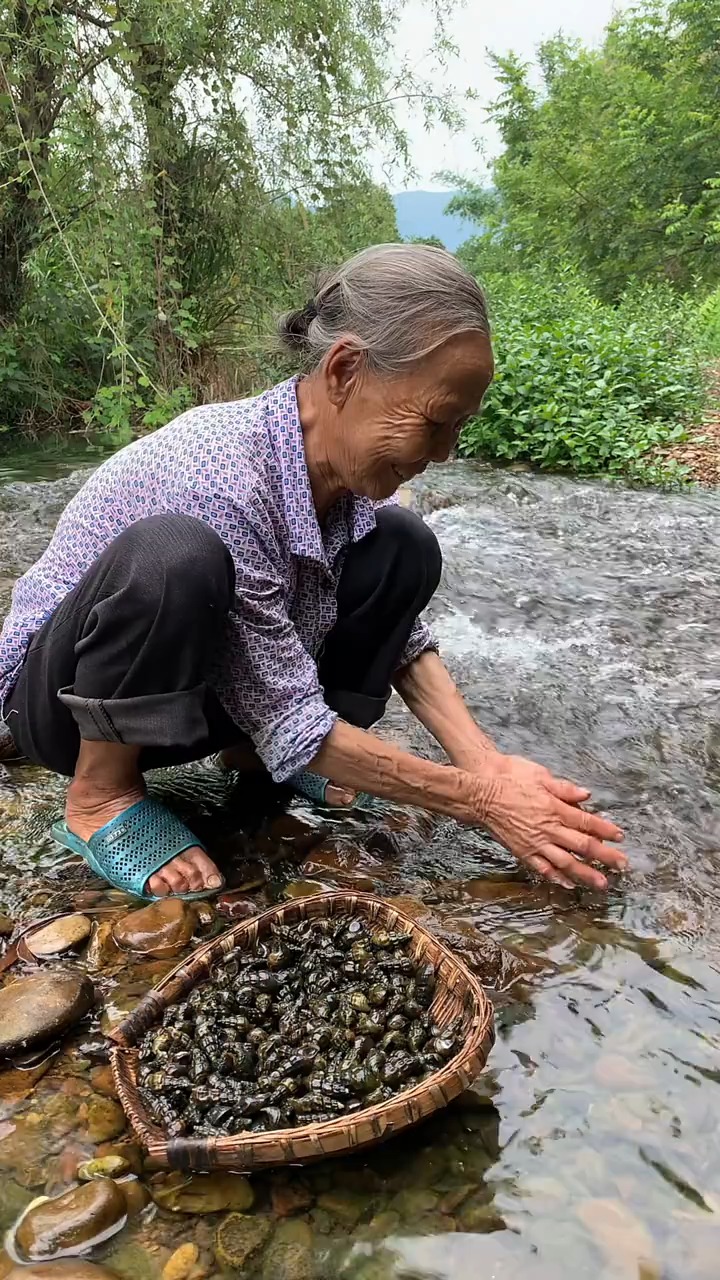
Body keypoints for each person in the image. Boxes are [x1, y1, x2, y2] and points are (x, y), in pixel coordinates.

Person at [0, 244, 627, 901]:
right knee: (177, 553)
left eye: (459, 430)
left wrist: (485, 760)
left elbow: (402, 639)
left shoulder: (342, 468)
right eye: (436, 422)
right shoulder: (221, 475)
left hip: (190, 699)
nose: (443, 453)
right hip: (63, 708)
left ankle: (252, 760)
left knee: (403, 542)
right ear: (345, 370)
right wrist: (483, 800)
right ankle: (100, 796)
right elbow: (288, 714)